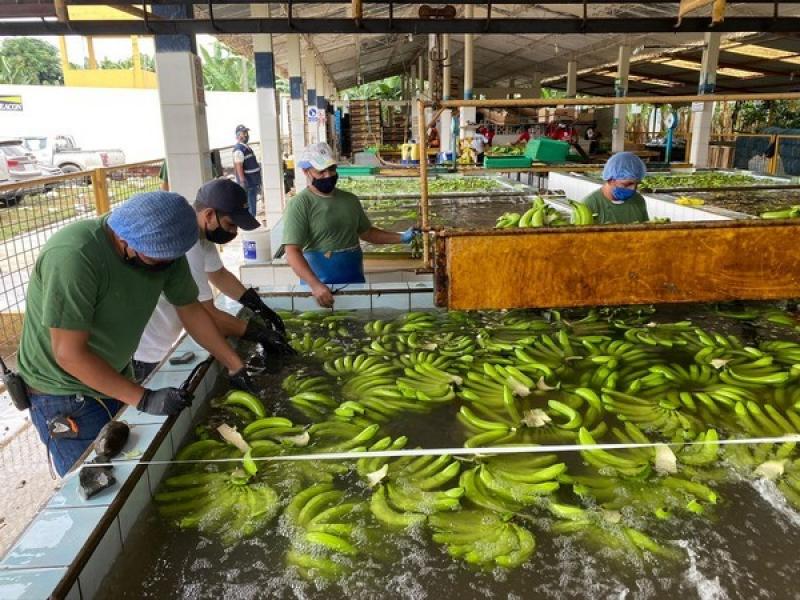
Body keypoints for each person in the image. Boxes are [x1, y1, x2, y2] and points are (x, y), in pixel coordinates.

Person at [16, 191, 256, 477]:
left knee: (132, 468)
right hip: (64, 393)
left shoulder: (166, 251)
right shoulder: (74, 256)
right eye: (158, 260)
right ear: (126, 241)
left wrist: (234, 364)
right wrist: (144, 398)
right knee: (99, 480)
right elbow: (69, 354)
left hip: (114, 373)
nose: (167, 265)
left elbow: (190, 310)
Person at [134, 179, 295, 382]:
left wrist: (259, 306)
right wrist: (260, 334)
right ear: (209, 214)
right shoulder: (187, 245)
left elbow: (218, 274)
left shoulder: (202, 235)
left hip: (163, 336)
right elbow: (207, 314)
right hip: (147, 351)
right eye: (231, 224)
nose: (234, 232)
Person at [282, 143, 419, 308]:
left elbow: (367, 233)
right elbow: (291, 252)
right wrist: (315, 285)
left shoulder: (350, 200)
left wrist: (402, 237)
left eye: (331, 169)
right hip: (319, 287)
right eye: (321, 171)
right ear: (306, 172)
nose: (328, 175)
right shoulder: (300, 204)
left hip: (354, 279)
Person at [581, 152, 649, 225]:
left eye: (637, 184)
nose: (633, 189)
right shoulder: (590, 205)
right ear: (610, 179)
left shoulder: (638, 201)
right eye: (627, 184)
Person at [233, 124, 262, 218]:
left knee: (253, 203)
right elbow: (239, 165)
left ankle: (251, 224)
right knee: (251, 207)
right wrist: (242, 181)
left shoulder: (246, 147)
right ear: (237, 136)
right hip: (248, 183)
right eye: (243, 133)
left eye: (246, 133)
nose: (246, 135)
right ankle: (251, 227)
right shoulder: (239, 149)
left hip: (253, 182)